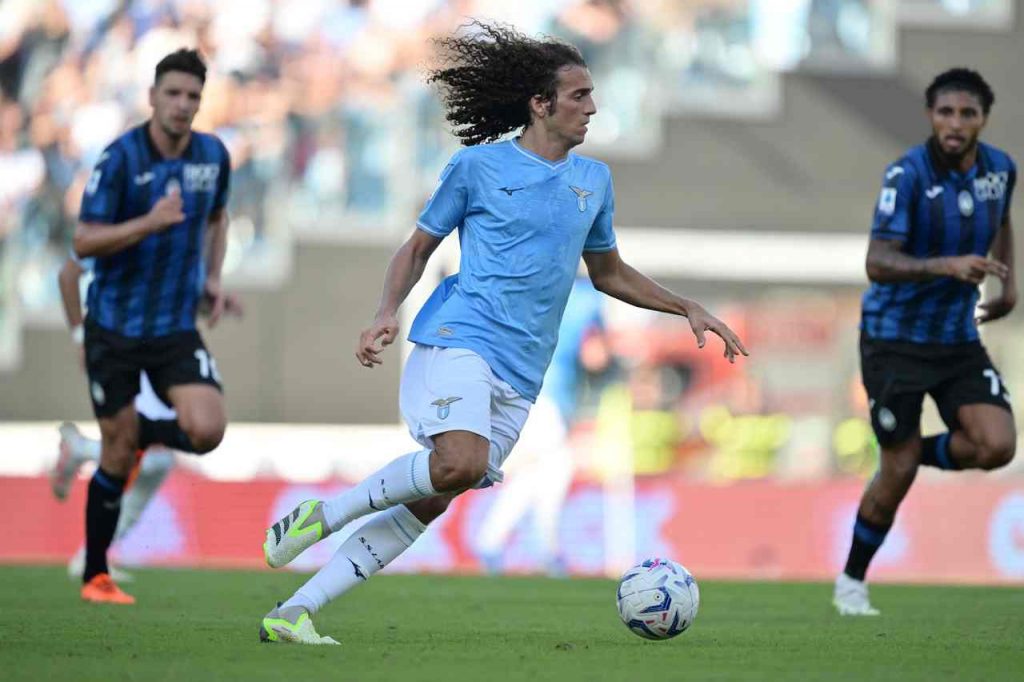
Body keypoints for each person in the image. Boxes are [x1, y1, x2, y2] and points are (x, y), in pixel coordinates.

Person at [258, 21, 747, 645]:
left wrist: (684, 307)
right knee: (460, 460)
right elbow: (416, 248)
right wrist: (386, 312)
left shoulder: (593, 182)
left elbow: (608, 272)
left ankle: (295, 609)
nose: (592, 107)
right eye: (579, 96)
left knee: (438, 494)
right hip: (461, 336)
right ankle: (322, 515)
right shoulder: (477, 167)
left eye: (593, 95)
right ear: (540, 104)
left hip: (522, 370)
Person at [835, 68, 1016, 616]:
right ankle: (851, 583)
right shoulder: (907, 175)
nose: (955, 123)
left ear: (983, 118)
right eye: (945, 112)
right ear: (930, 115)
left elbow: (1003, 219)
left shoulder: (1000, 169)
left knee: (997, 445)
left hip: (957, 339)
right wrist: (947, 265)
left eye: (966, 113)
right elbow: (878, 263)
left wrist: (1007, 285)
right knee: (895, 471)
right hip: (894, 342)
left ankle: (914, 453)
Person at [73, 48, 233, 604]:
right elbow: (83, 241)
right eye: (173, 93)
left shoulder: (213, 156)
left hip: (172, 328)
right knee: (117, 455)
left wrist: (212, 278)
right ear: (152, 96)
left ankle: (127, 434)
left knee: (208, 429)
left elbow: (218, 217)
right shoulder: (120, 158)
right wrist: (149, 221)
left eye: (192, 96)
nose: (182, 105)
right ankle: (96, 574)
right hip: (114, 327)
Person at [51, 255, 241, 581]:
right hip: (139, 352)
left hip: (166, 350)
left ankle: (90, 555)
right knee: (149, 454)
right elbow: (77, 273)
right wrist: (83, 339)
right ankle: (81, 449)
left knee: (157, 463)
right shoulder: (138, 231)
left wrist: (208, 300)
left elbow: (173, 297)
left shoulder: (177, 246)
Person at [475, 277, 608, 575]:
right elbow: (595, 355)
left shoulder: (536, 285)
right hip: (548, 396)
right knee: (555, 465)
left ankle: (498, 542)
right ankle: (540, 549)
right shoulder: (589, 298)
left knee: (542, 472)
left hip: (521, 388)